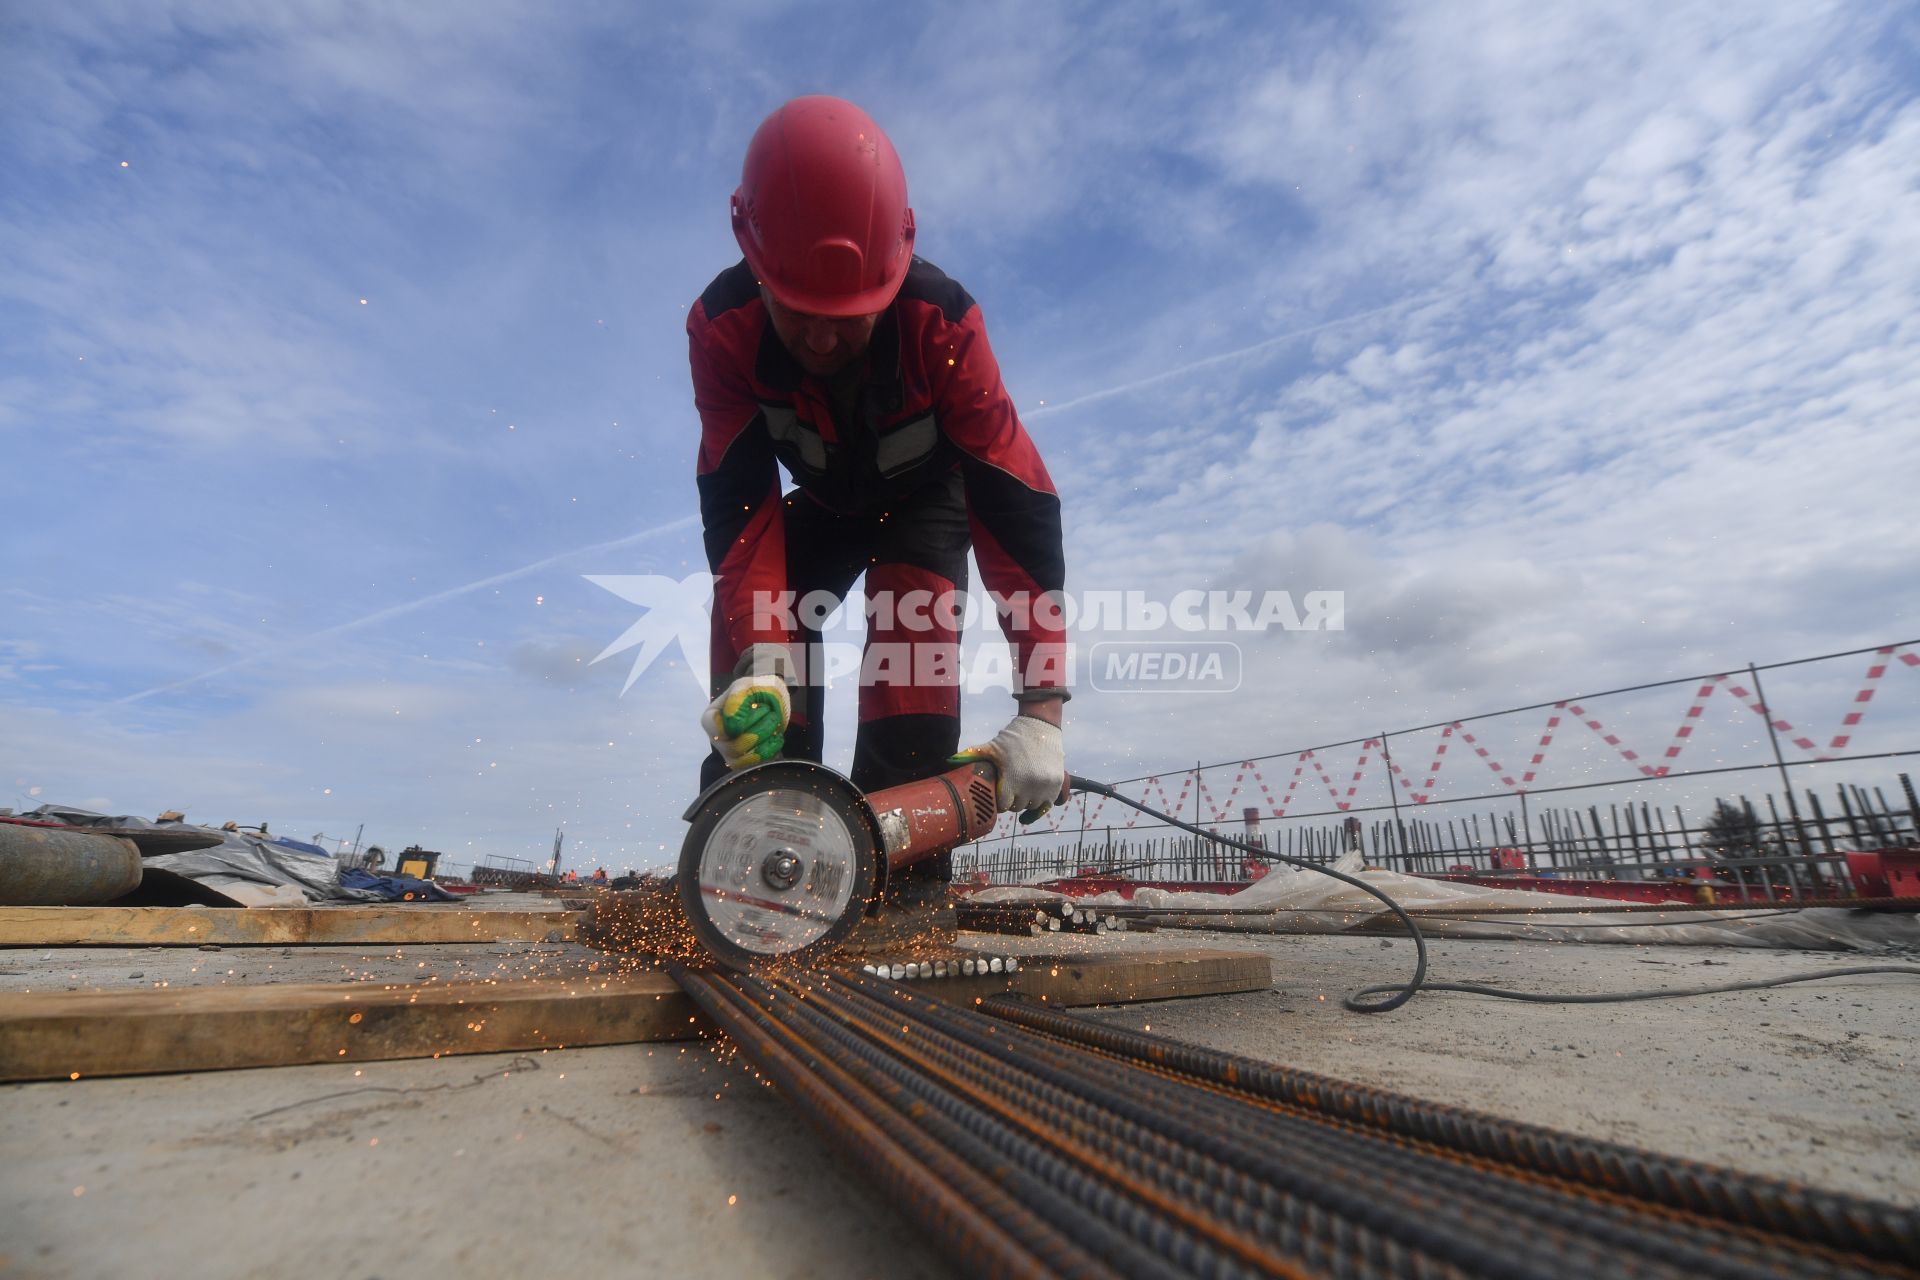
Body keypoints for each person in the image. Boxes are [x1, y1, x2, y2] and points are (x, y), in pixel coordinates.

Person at [688, 95, 1069, 906]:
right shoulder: (721, 332)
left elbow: (1016, 503)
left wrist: (1042, 709)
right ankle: (744, 858)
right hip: (822, 505)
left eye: (849, 318)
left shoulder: (945, 326)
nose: (823, 340)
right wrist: (758, 659)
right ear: (754, 262)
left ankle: (901, 884)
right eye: (799, 313)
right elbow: (739, 504)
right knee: (763, 649)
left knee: (912, 655)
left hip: (928, 502)